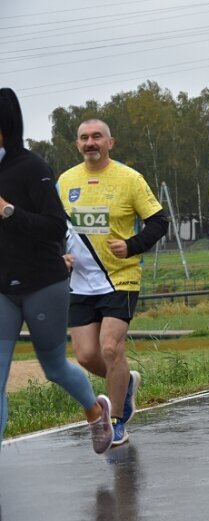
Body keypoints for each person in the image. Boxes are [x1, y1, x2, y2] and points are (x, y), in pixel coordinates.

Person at [0, 89, 112, 454]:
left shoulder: (33, 169)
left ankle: (95, 411)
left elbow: (54, 227)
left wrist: (8, 212)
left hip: (42, 284)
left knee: (53, 367)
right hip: (2, 288)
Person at [58, 119, 169, 446]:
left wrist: (132, 245)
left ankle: (118, 419)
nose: (90, 142)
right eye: (84, 138)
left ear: (110, 143)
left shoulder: (129, 179)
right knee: (87, 356)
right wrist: (58, 255)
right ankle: (125, 384)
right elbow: (54, 226)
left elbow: (159, 222)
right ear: (77, 144)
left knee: (110, 348)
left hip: (120, 277)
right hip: (80, 281)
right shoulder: (65, 181)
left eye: (96, 137)